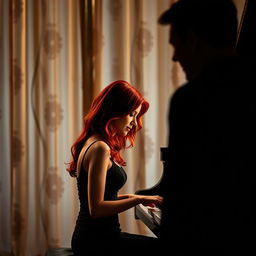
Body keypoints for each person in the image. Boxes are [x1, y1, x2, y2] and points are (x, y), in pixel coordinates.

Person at [158, 0, 256, 253]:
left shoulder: (192, 99)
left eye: (176, 45)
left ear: (193, 40)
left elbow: (180, 198)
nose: (175, 56)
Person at [66, 80, 163, 255]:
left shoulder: (94, 141)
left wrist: (137, 196)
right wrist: (138, 200)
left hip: (97, 237)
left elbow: (106, 197)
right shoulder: (100, 148)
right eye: (132, 114)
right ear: (115, 110)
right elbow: (96, 209)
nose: (134, 123)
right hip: (96, 242)